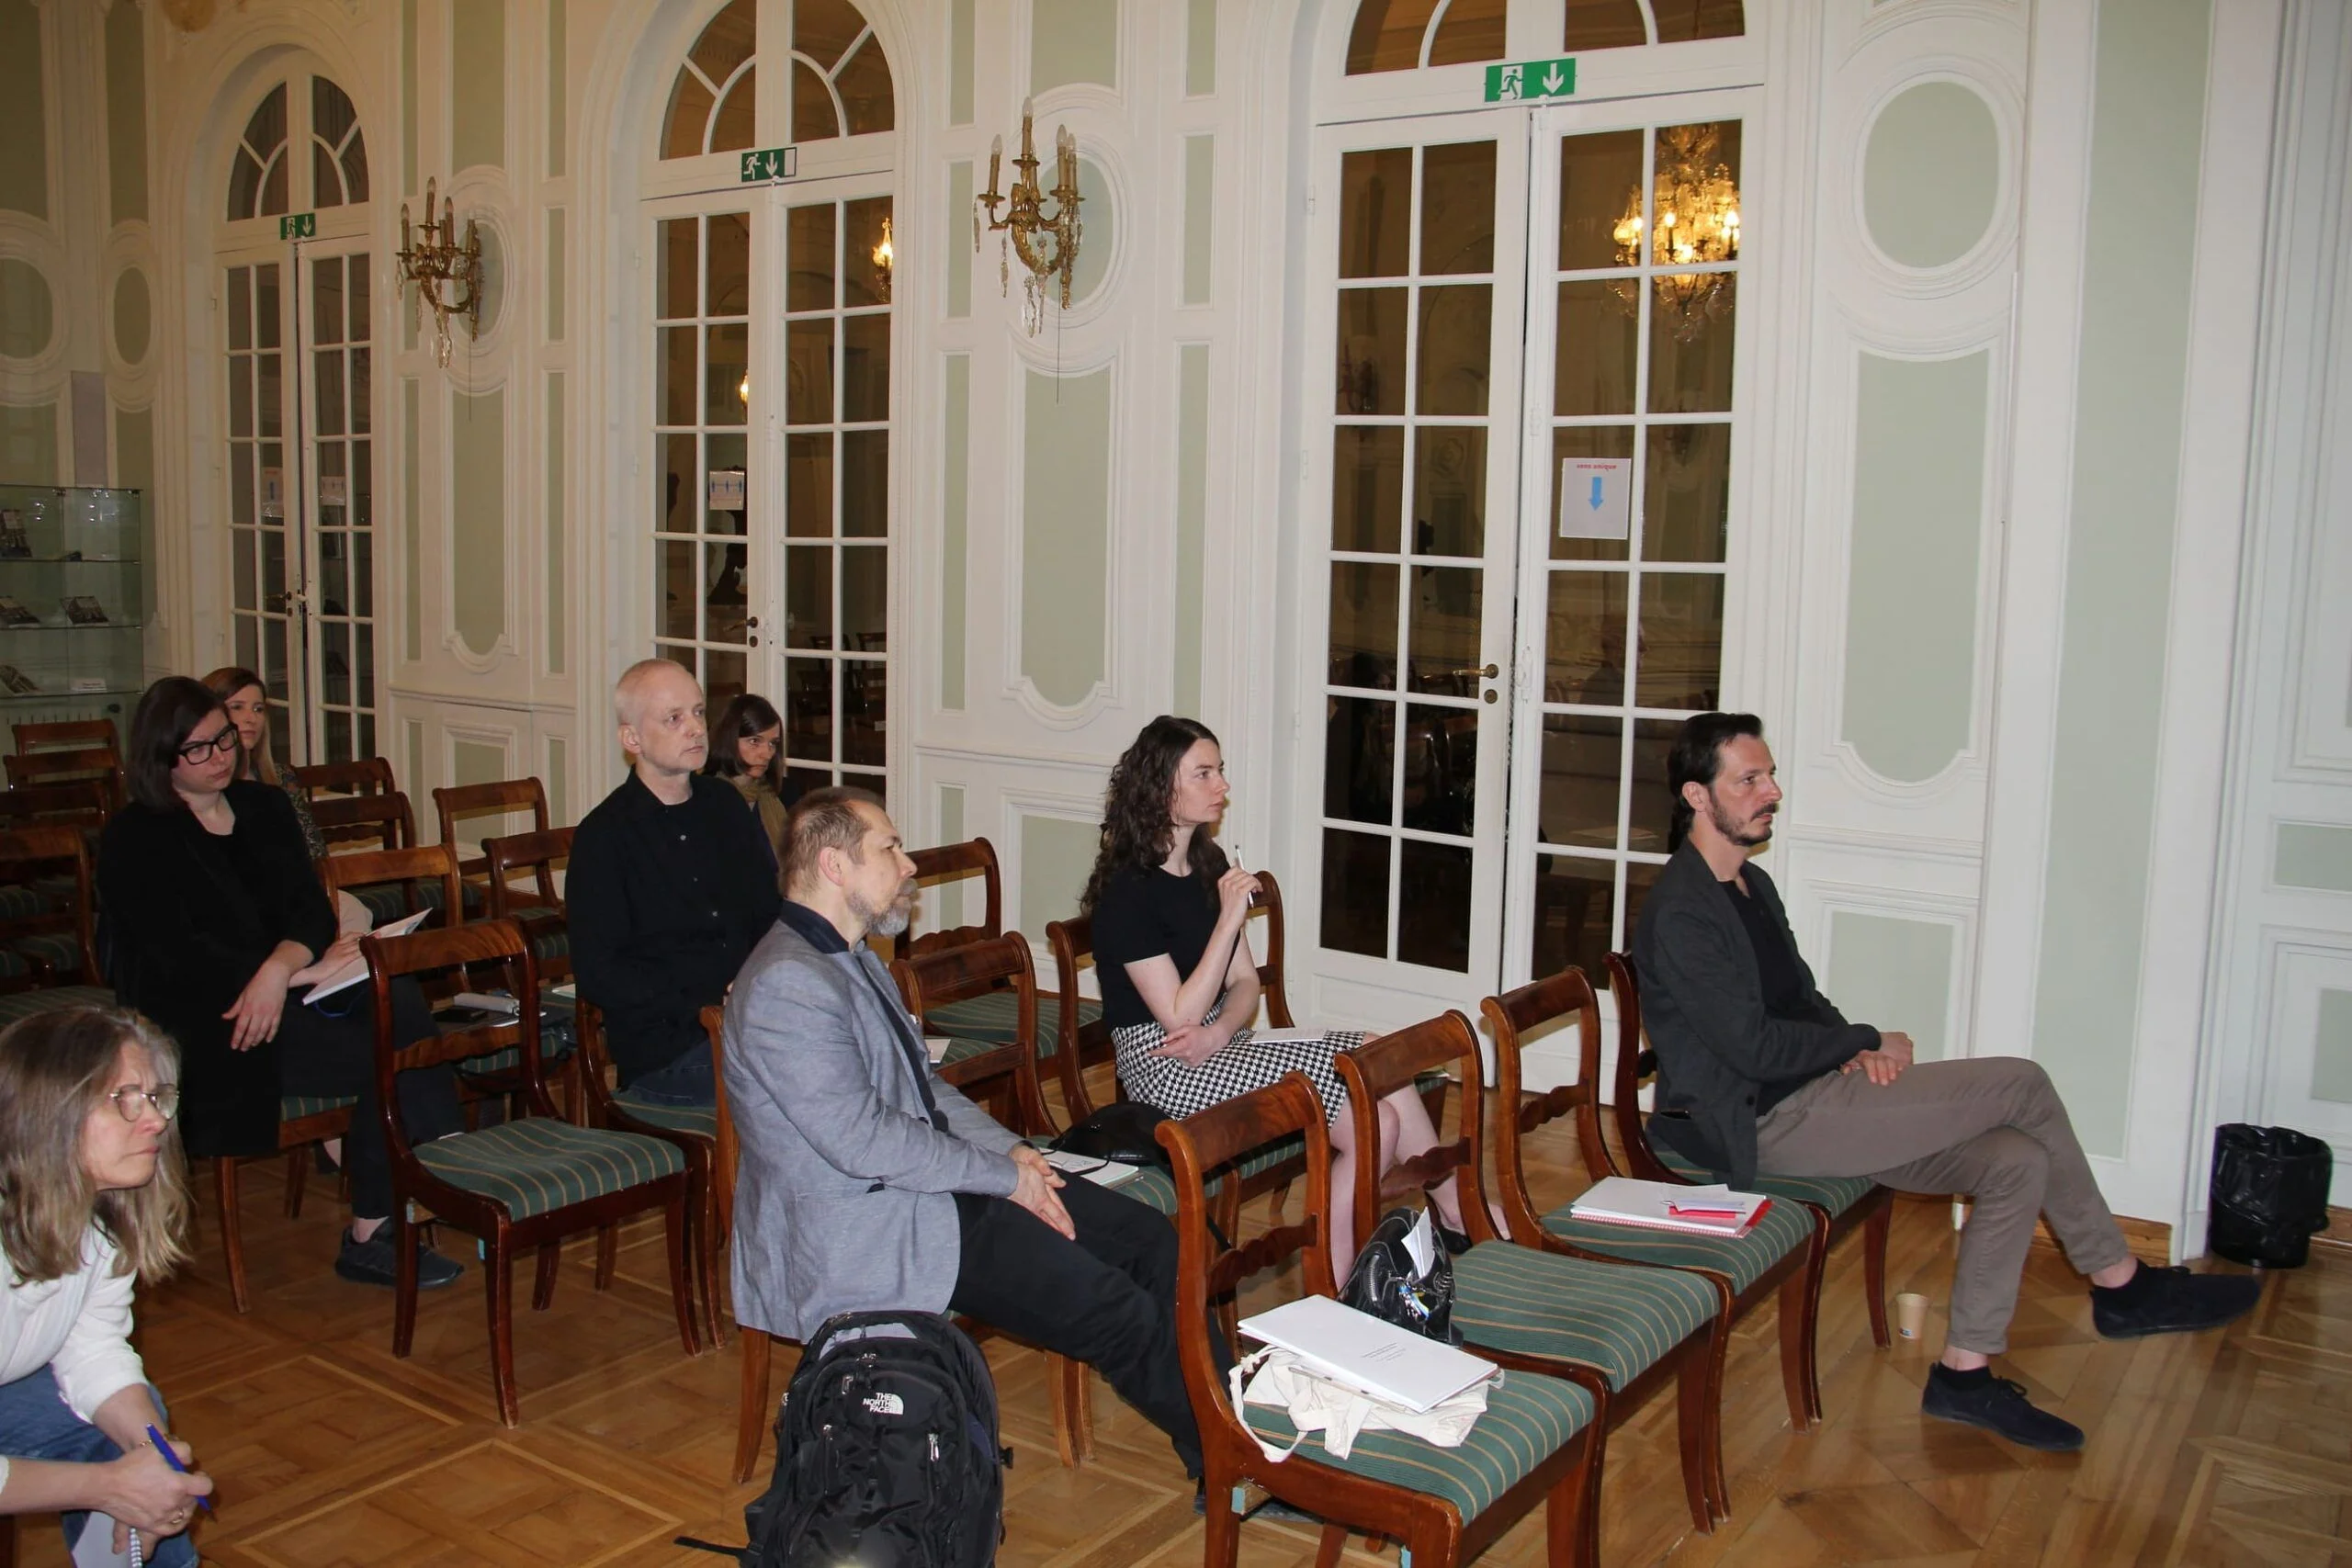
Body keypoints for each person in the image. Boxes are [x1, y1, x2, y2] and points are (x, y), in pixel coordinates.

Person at [1634, 712, 2263, 1452]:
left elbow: (1800, 999)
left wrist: (1852, 1049)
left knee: (2016, 1159)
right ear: (1698, 796)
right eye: (1749, 779)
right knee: (2023, 1083)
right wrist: (1863, 1039)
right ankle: (2120, 1284)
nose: (1772, 790)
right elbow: (1753, 1047)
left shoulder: (1751, 884)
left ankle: (1965, 1372)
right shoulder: (1682, 911)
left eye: (1770, 773)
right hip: (1759, 1121)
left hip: (1813, 1097)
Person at [724, 787, 1216, 1480]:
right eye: (889, 848)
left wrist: (1012, 1152)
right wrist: (1003, 1177)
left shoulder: (852, 957)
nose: (909, 865)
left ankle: (1230, 1431)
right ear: (834, 865)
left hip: (932, 1189)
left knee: (1149, 1240)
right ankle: (1232, 1458)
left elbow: (924, 1094)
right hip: (868, 1229)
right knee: (1115, 1311)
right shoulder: (786, 984)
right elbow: (862, 1141)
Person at [95, 677, 465, 1289]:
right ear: (160, 757)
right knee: (392, 1047)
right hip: (209, 1021)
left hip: (285, 988)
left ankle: (411, 1199)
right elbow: (178, 954)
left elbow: (310, 911)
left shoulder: (263, 808)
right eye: (198, 749)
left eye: (224, 739)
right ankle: (426, 1190)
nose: (220, 756)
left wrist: (283, 969)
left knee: (395, 999)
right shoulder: (134, 837)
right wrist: (281, 973)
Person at [1082, 716, 1484, 1269]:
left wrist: (1222, 1031)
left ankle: (1392, 1245)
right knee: (1376, 1098)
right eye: (1204, 773)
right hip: (1165, 1066)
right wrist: (1228, 920)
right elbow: (1179, 1016)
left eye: (1220, 770)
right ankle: (1417, 1235)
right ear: (1160, 786)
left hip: (1218, 1042)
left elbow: (1245, 983)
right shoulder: (1129, 892)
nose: (1222, 785)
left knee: (1377, 1071)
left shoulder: (1207, 863)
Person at [0, 1008, 216, 1565]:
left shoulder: (97, 1212)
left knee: (139, 1438)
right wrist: (106, 1486)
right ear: (46, 1114)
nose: (156, 1121)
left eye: (156, 1098)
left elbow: (93, 1350)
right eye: (125, 1099)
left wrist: (153, 1464)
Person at [568, 659, 781, 1104]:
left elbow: (767, 913)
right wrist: (708, 1004)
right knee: (809, 1075)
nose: (696, 729)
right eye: (674, 718)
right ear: (632, 739)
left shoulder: (724, 804)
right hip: (668, 1049)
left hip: (748, 1025)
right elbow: (600, 974)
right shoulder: (605, 836)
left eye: (699, 712)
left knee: (854, 1049)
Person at [701, 692, 803, 868]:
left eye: (773, 743)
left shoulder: (784, 793)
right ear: (729, 740)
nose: (767, 754)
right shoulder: (705, 798)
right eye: (755, 741)